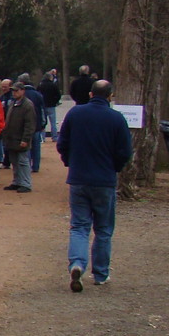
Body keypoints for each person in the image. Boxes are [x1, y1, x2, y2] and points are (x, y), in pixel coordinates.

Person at [56, 80, 132, 291]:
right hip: (104, 179)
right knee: (104, 229)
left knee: (79, 226)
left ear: (90, 94)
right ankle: (100, 273)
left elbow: (62, 143)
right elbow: (125, 151)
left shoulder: (75, 114)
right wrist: (115, 167)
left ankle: (77, 263)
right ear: (110, 96)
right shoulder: (117, 119)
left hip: (79, 177)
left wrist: (69, 161)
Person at [2, 82, 36, 193]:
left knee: (23, 161)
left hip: (21, 138)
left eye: (16, 90)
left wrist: (25, 139)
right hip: (11, 138)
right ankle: (17, 181)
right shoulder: (13, 103)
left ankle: (26, 183)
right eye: (13, 91)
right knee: (15, 162)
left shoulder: (27, 105)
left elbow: (29, 124)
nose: (14, 93)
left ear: (23, 91)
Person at [38, 69, 62, 140]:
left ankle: (42, 137)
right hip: (51, 105)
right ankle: (54, 136)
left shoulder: (41, 85)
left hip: (43, 105)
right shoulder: (53, 85)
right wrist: (55, 101)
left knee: (43, 122)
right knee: (53, 123)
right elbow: (58, 95)